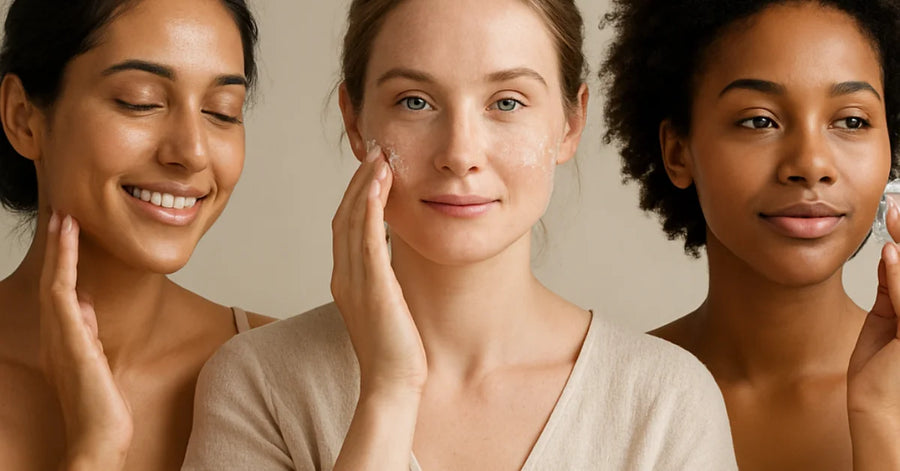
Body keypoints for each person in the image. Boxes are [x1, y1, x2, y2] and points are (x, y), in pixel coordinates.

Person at [183, 0, 738, 469]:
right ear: (355, 121)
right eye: (415, 102)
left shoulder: (665, 403)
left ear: (571, 122)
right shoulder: (258, 383)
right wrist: (387, 388)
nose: (459, 154)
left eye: (507, 103)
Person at [601, 1, 900, 469]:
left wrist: (882, 422)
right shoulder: (606, 401)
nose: (811, 165)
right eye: (760, 120)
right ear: (678, 151)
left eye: (852, 121)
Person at [0, 0, 272, 469]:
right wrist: (96, 447)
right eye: (139, 101)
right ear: (24, 118)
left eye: (222, 112)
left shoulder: (283, 369)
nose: (191, 152)